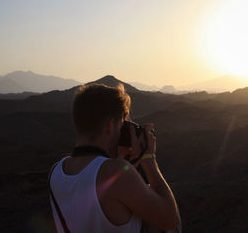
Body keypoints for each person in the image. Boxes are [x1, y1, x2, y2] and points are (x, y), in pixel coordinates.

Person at [48, 83, 180, 233]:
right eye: (120, 126)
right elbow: (170, 221)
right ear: (110, 126)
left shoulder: (56, 171)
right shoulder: (116, 174)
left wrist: (121, 161)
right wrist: (149, 160)